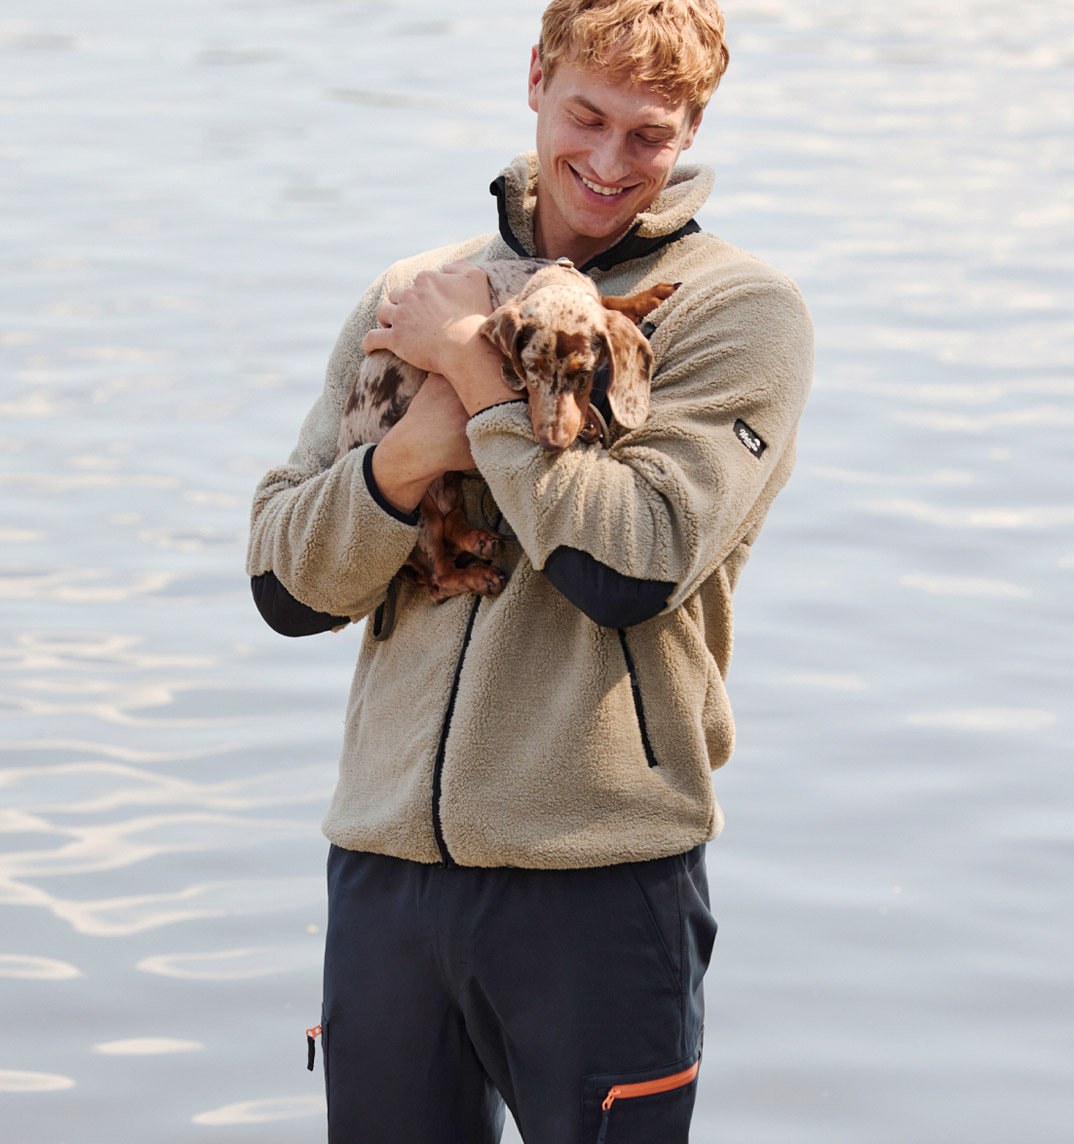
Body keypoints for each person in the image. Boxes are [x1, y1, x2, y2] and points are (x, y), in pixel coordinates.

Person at [246, 1, 814, 1140]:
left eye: (649, 134)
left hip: (599, 877)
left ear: (692, 126)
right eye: (587, 115)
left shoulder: (735, 313)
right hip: (386, 866)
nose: (608, 162)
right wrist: (413, 453)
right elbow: (284, 583)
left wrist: (475, 373)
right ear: (535, 81)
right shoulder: (415, 289)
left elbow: (632, 563)